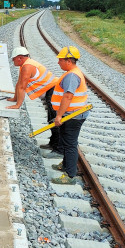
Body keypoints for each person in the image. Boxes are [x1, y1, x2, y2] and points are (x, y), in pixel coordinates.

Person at [5, 46, 60, 153]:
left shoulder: (27, 67)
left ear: (20, 58)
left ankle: (58, 149)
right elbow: (19, 84)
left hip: (53, 91)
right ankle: (52, 144)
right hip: (51, 90)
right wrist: (15, 98)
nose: (13, 60)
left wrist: (17, 105)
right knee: (51, 118)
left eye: (14, 58)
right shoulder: (25, 65)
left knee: (54, 119)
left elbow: (22, 87)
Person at [49, 46, 90, 185]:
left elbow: (67, 96)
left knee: (70, 144)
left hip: (73, 115)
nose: (58, 62)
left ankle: (70, 175)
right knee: (67, 141)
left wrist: (59, 116)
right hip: (73, 114)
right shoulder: (73, 72)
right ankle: (65, 165)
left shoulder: (72, 75)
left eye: (60, 60)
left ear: (68, 61)